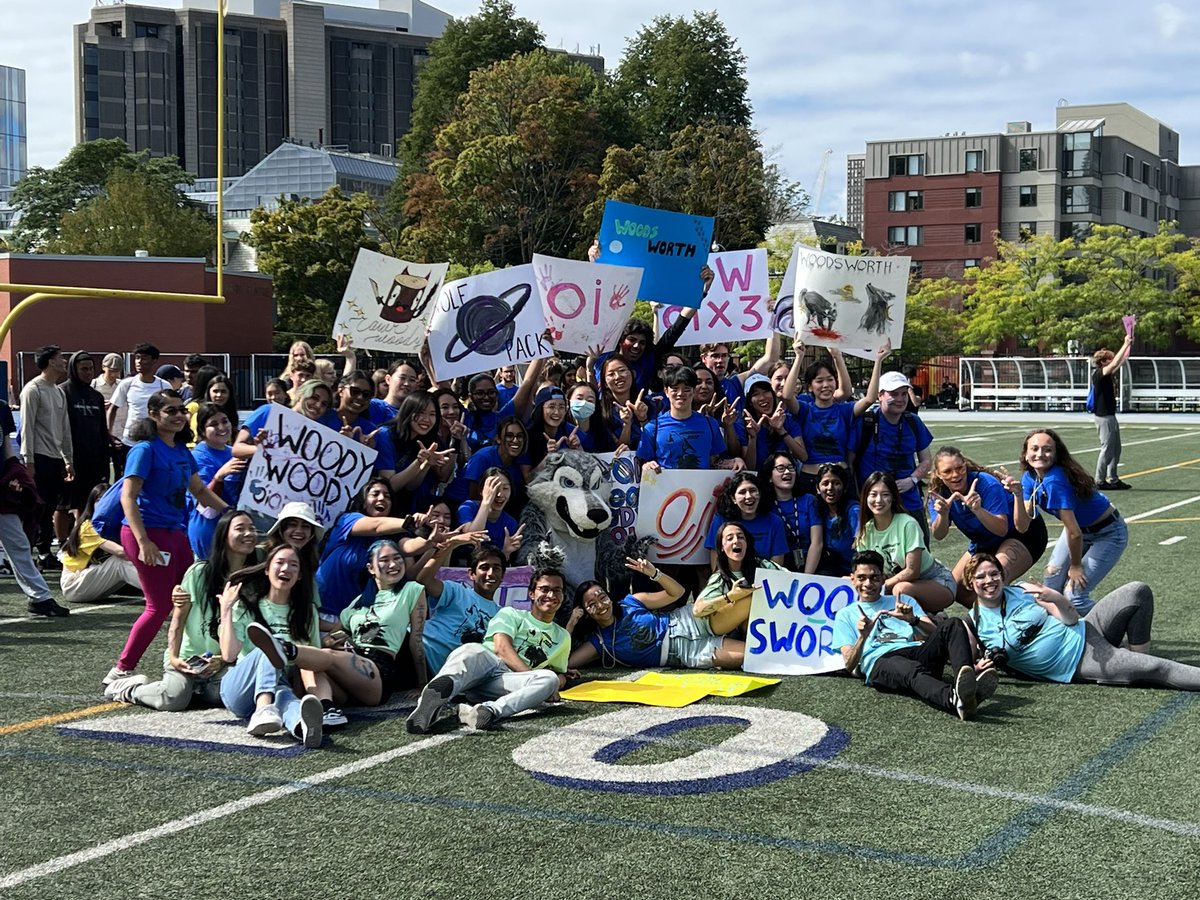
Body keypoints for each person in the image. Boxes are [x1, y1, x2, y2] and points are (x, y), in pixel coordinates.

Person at [103, 390, 229, 687]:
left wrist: (231, 514)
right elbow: (128, 497)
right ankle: (120, 670)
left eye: (181, 410)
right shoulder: (145, 450)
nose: (177, 415)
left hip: (175, 533)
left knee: (194, 596)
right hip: (148, 533)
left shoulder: (183, 451)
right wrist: (143, 541)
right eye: (170, 410)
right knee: (158, 605)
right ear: (153, 415)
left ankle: (195, 659)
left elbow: (199, 490)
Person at [247, 539, 428, 725]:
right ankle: (327, 709)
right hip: (348, 671)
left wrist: (423, 683)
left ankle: (285, 649)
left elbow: (416, 640)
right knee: (311, 662)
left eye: (397, 558)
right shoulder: (357, 603)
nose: (393, 564)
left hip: (378, 672)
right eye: (384, 560)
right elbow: (330, 639)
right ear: (371, 568)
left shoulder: (411, 590)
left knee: (325, 656)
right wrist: (335, 641)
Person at [966, 552, 1200, 691]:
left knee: (1136, 591)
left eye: (994, 573)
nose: (989, 580)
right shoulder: (974, 621)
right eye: (981, 577)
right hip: (1077, 661)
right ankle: (1139, 661)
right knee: (1159, 668)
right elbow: (968, 663)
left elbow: (1070, 620)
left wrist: (1056, 598)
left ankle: (1138, 654)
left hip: (1085, 628)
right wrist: (978, 668)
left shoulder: (1022, 590)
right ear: (970, 583)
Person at [103, 509, 258, 708]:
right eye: (240, 529)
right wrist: (175, 658)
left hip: (225, 663)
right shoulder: (200, 572)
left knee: (227, 696)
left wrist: (221, 660)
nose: (249, 534)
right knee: (174, 699)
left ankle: (193, 691)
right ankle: (128, 689)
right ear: (223, 535)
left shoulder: (257, 579)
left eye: (252, 529)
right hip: (187, 658)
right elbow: (179, 617)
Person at [832, 550, 998, 721]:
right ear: (852, 579)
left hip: (915, 652)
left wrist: (913, 620)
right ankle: (954, 698)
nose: (868, 583)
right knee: (909, 669)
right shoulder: (845, 615)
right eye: (861, 578)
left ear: (883, 579)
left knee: (953, 624)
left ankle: (965, 684)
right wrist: (863, 636)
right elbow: (849, 664)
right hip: (880, 661)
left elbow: (936, 634)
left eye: (874, 577)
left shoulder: (902, 600)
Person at [405, 567, 573, 734]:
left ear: (563, 596)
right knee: (470, 650)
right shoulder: (511, 613)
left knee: (549, 679)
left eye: (556, 591)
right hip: (487, 664)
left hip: (503, 684)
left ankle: (487, 711)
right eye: (544, 589)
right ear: (531, 594)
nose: (550, 595)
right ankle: (430, 705)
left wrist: (555, 685)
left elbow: (558, 672)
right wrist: (528, 675)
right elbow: (501, 648)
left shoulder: (563, 636)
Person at [216, 544, 325, 748]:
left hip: (280, 682)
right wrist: (226, 610)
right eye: (280, 563)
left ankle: (303, 727)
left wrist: (312, 694)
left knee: (287, 698)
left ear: (300, 575)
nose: (286, 569)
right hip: (239, 687)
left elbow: (310, 661)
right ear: (267, 569)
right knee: (269, 645)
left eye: (293, 565)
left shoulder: (306, 612)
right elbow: (229, 654)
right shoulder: (246, 605)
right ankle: (263, 708)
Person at [568, 558, 745, 670]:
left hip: (689, 621)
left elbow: (677, 592)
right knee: (754, 656)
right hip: (686, 653)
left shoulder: (630, 602)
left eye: (602, 597)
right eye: (592, 604)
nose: (600, 605)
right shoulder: (600, 642)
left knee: (746, 601)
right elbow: (566, 663)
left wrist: (655, 574)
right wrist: (571, 623)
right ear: (585, 612)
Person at [1020, 429, 1127, 615]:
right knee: (1051, 584)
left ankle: (1112, 630)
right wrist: (1015, 493)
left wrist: (1076, 566)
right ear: (1025, 453)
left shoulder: (1055, 480)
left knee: (1074, 596)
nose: (1040, 454)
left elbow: (1074, 532)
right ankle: (1063, 631)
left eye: (1047, 450)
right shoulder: (1030, 478)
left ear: (1055, 454)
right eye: (1034, 448)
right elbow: (1022, 524)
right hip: (1078, 530)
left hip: (1108, 533)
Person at [928, 446, 1047, 606]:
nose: (955, 475)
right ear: (938, 474)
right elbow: (939, 534)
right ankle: (992, 619)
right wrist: (942, 514)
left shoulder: (985, 483)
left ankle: (1030, 611)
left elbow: (1001, 528)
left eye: (959, 468)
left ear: (965, 465)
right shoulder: (937, 493)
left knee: (994, 580)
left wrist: (977, 510)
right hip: (985, 541)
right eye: (948, 471)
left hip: (1021, 534)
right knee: (953, 590)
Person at [782, 341, 887, 494]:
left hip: (841, 479)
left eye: (830, 379)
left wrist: (878, 360)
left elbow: (870, 399)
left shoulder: (844, 410)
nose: (826, 385)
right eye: (819, 381)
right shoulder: (805, 410)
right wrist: (799, 357)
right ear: (810, 387)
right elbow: (787, 395)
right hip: (811, 479)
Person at [315, 477, 428, 617]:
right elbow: (376, 526)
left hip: (351, 618)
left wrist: (428, 535)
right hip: (319, 610)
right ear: (363, 500)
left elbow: (409, 547)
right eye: (375, 494)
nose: (381, 498)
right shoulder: (347, 520)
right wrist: (411, 523)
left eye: (387, 496)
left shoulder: (389, 540)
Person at [0, 399, 69, 616]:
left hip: (1, 490)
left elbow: (6, 447)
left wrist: (15, 470)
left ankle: (40, 598)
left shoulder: (2, 407)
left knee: (19, 544)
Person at [854, 471, 956, 613]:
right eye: (873, 494)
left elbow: (912, 571)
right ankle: (932, 618)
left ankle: (928, 621)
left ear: (893, 498)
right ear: (865, 497)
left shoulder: (907, 524)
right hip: (894, 586)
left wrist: (880, 586)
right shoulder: (865, 531)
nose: (878, 500)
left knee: (901, 590)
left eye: (885, 494)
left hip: (936, 581)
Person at [853, 367, 933, 540]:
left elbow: (926, 461)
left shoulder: (913, 422)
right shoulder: (866, 422)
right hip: (873, 504)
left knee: (918, 555)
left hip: (909, 501)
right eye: (894, 394)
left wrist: (911, 480)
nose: (900, 399)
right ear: (880, 395)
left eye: (904, 394)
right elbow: (849, 461)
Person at [19, 344, 74, 568]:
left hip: (55, 458)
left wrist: (68, 459)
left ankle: (44, 552)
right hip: (39, 457)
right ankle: (29, 552)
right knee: (36, 507)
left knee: (50, 506)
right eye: (60, 357)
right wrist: (28, 459)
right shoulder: (33, 389)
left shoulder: (58, 391)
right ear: (50, 361)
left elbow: (65, 428)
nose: (63, 361)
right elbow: (27, 426)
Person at [414, 538, 504, 674]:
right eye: (484, 567)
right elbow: (423, 580)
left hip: (438, 674)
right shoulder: (456, 590)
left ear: (503, 576)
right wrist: (450, 545)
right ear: (471, 574)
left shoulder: (503, 615)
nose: (490, 573)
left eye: (496, 568)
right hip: (414, 647)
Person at [637, 365, 743, 474]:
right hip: (666, 489)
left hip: (701, 488)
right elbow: (643, 462)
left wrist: (733, 462)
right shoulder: (652, 428)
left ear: (693, 391)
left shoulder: (710, 424)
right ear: (666, 392)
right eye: (675, 389)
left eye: (686, 389)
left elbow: (714, 461)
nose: (680, 394)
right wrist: (647, 466)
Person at [694, 523, 784, 636]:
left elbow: (793, 580)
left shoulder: (763, 565)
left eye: (741, 537)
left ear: (747, 543)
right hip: (718, 629)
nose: (736, 541)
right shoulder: (720, 578)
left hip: (756, 628)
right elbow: (697, 610)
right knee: (750, 599)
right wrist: (731, 596)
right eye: (730, 538)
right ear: (722, 547)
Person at [59, 350, 110, 543]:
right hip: (71, 457)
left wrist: (105, 455)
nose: (88, 373)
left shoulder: (96, 396)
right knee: (64, 503)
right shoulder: (63, 392)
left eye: (91, 369)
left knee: (87, 501)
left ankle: (80, 539)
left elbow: (101, 428)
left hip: (94, 457)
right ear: (74, 369)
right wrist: (65, 458)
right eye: (84, 369)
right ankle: (61, 543)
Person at [59, 483, 140, 604]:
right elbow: (122, 553)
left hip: (92, 580)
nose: (103, 505)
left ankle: (161, 586)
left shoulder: (115, 525)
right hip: (73, 584)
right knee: (120, 562)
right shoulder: (89, 527)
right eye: (99, 500)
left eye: (108, 502)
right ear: (91, 504)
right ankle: (162, 591)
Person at [187, 403, 244, 559]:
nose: (222, 427)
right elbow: (203, 502)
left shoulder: (234, 452)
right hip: (209, 531)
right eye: (213, 424)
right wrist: (219, 477)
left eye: (225, 421)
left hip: (234, 529)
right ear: (202, 431)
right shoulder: (198, 456)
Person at [704, 472, 789, 569]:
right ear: (733, 498)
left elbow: (777, 563)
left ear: (760, 494)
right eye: (742, 492)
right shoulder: (721, 519)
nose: (748, 496)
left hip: (763, 580)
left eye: (753, 490)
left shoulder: (774, 521)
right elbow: (716, 555)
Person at [1091, 334, 1134, 490]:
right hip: (1103, 417)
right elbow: (1116, 361)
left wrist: (1128, 344)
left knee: (1116, 449)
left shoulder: (1107, 374)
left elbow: (1122, 360)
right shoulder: (1099, 374)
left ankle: (1113, 478)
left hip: (1110, 415)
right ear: (1103, 362)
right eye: (1109, 358)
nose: (1112, 360)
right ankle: (1099, 480)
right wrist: (1124, 343)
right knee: (1107, 448)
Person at [108, 342, 169, 449]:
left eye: (144, 358)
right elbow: (113, 409)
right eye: (137, 358)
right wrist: (108, 433)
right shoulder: (127, 383)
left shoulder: (164, 385)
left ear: (154, 360)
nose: (139, 362)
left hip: (156, 440)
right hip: (130, 441)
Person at [809, 462, 860, 576]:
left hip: (855, 569)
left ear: (845, 487)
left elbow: (861, 544)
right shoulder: (818, 509)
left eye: (836, 483)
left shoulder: (854, 510)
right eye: (825, 483)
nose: (830, 488)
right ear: (818, 488)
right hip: (833, 567)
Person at [458, 470, 523, 559]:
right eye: (494, 488)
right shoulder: (468, 507)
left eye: (505, 488)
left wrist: (506, 552)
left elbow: (502, 563)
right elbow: (472, 537)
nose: (500, 494)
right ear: (482, 490)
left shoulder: (510, 523)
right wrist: (486, 502)